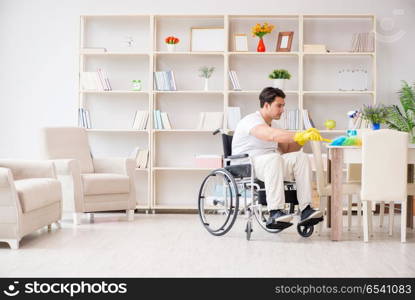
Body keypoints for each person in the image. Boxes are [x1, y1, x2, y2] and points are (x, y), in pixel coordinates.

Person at [232, 87, 329, 229]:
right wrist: (299, 134)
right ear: (266, 105)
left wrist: (302, 140)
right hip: (248, 164)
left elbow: (287, 150)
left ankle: (306, 209)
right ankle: (275, 212)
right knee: (274, 158)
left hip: (271, 164)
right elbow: (270, 135)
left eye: (283, 105)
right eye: (279, 105)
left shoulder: (276, 125)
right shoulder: (251, 120)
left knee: (300, 157)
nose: (283, 109)